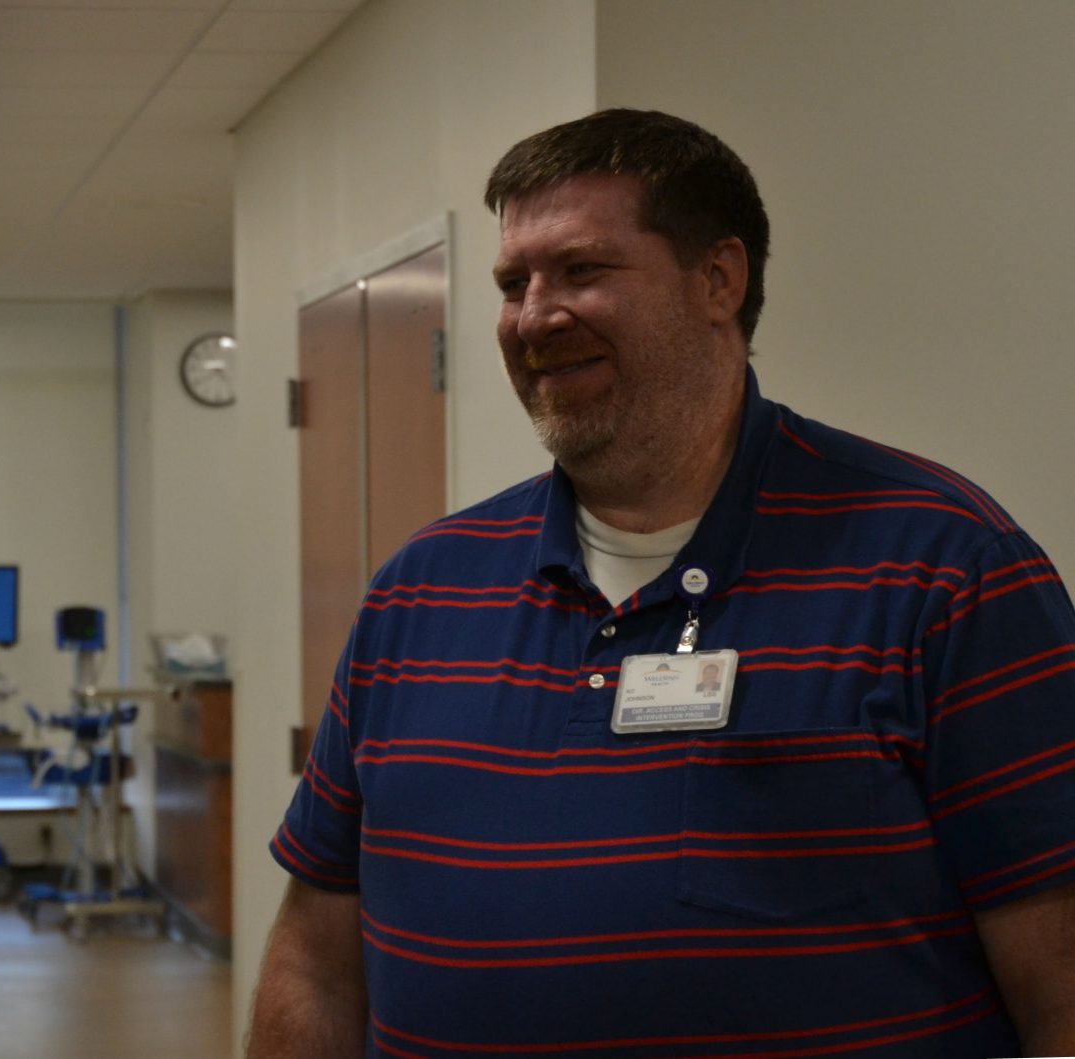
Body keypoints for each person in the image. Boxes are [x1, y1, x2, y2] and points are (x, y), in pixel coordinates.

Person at [246, 110, 1075, 1057]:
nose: (533, 316)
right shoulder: (421, 593)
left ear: (719, 279)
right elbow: (315, 951)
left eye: (582, 270)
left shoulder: (940, 566)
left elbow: (1060, 976)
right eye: (513, 283)